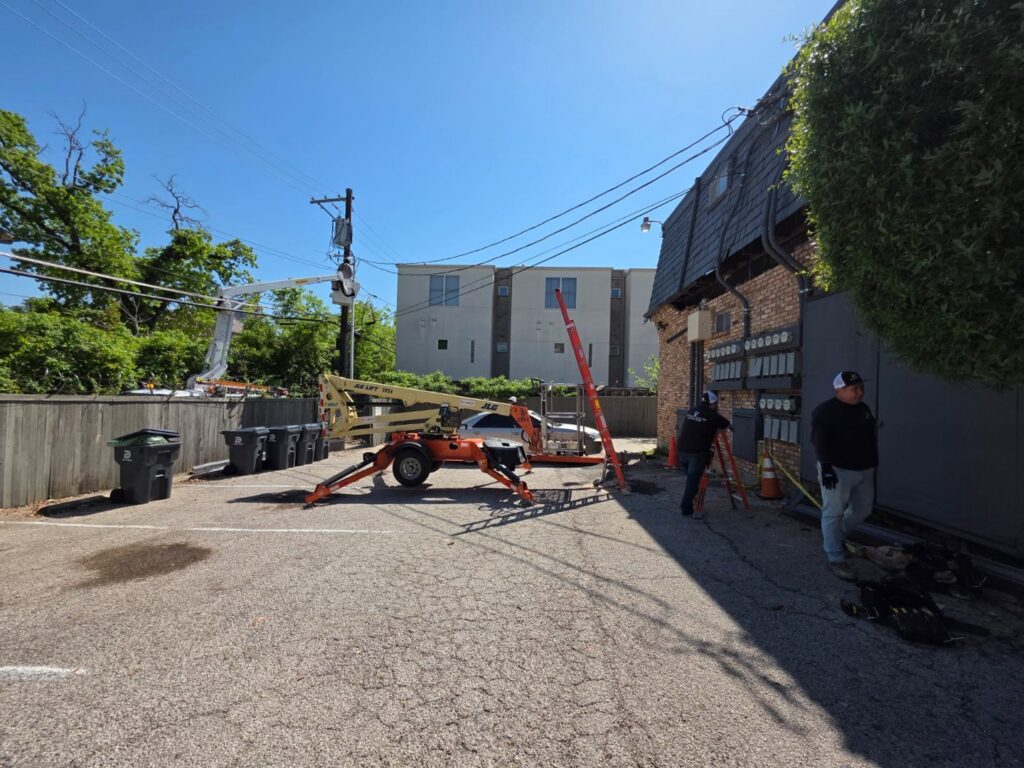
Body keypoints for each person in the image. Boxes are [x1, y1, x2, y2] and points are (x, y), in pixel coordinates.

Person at [810, 371, 879, 581]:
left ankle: (835, 536)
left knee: (864, 508)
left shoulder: (863, 409)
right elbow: (818, 441)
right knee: (834, 512)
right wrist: (827, 467)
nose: (860, 392)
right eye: (854, 389)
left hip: (864, 468)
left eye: (861, 388)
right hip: (837, 469)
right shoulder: (825, 411)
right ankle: (835, 557)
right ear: (839, 390)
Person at [677, 391, 730, 517]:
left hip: (682, 450)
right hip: (697, 452)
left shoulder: (691, 411)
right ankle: (686, 508)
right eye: (716, 404)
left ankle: (692, 498)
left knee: (691, 479)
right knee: (693, 481)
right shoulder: (712, 416)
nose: (716, 406)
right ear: (712, 404)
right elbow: (726, 424)